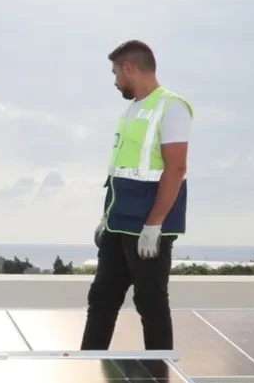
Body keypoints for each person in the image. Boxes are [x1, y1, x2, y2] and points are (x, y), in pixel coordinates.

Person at [81, 39, 193, 353]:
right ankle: (86, 364)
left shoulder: (172, 107)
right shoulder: (132, 110)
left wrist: (154, 225)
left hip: (147, 225)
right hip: (118, 223)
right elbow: (122, 171)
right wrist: (106, 219)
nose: (115, 81)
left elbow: (176, 168)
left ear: (129, 68)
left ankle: (159, 372)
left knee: (150, 301)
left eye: (116, 73)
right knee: (102, 297)